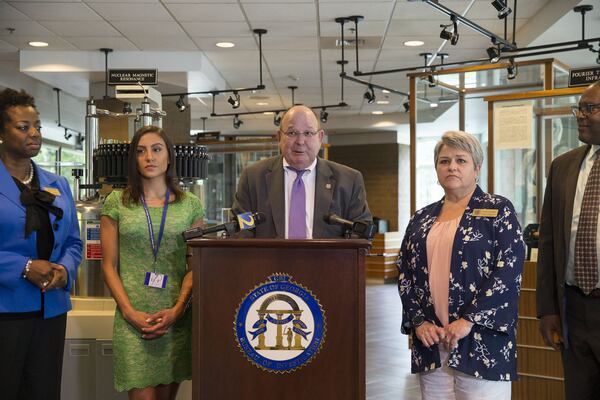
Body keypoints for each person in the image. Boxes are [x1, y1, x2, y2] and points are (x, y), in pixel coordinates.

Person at [397, 131, 525, 399]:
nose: (451, 167)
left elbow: (508, 271)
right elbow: (405, 273)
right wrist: (419, 322)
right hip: (431, 342)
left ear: (476, 168)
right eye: (444, 161)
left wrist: (468, 320)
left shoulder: (498, 210)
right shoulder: (421, 219)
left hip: (480, 340)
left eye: (461, 160)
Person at [100, 126, 203, 399]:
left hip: (175, 319)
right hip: (132, 320)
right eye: (141, 151)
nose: (149, 157)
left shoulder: (190, 205)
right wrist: (129, 312)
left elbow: (195, 268)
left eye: (157, 149)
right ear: (134, 159)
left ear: (169, 157)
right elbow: (108, 266)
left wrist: (178, 310)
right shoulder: (116, 203)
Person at [0, 88, 83, 400]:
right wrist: (23, 267)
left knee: (45, 392)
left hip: (50, 309)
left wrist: (64, 269)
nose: (33, 134)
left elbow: (74, 242)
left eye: (37, 127)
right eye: (23, 127)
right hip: (5, 309)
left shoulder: (56, 184)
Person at [537, 81, 600, 399]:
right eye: (580, 108)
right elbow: (548, 243)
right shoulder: (562, 167)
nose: (581, 115)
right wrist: (547, 309)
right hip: (573, 308)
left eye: (591, 108)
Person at [232, 105, 371, 238]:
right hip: (268, 262)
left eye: (308, 133)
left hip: (327, 262)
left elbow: (361, 233)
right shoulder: (253, 178)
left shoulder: (349, 181)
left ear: (320, 137)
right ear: (279, 137)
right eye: (292, 133)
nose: (300, 141)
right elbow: (241, 230)